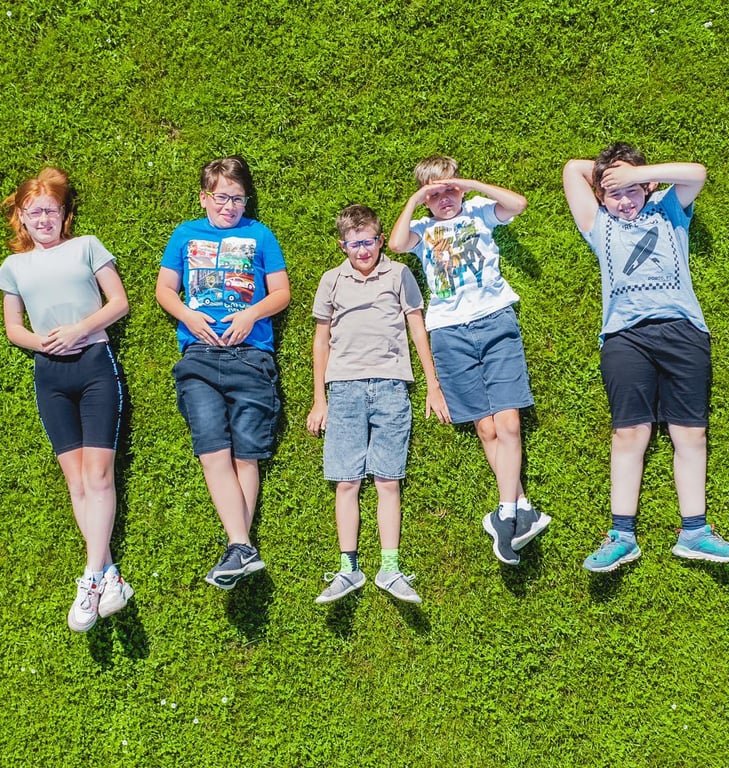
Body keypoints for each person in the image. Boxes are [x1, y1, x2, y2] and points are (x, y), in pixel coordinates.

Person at [562, 143, 729, 572]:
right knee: (629, 434)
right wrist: (610, 177)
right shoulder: (598, 223)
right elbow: (572, 170)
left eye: (631, 190)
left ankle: (694, 532)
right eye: (614, 193)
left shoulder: (668, 209)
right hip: (625, 337)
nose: (624, 201)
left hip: (684, 331)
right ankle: (621, 536)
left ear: (648, 185)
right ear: (600, 196)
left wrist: (636, 176)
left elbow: (697, 172)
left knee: (690, 434)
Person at [389, 155, 551, 566]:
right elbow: (395, 244)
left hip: (495, 321)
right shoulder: (422, 229)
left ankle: (505, 513)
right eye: (435, 194)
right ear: (425, 199)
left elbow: (518, 204)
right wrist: (415, 200)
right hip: (448, 332)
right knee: (485, 427)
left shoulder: (478, 211)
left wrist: (471, 184)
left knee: (508, 422)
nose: (444, 199)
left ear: (460, 188)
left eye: (450, 190)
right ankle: (521, 508)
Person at [0, 167, 132, 632]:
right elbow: (13, 329)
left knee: (98, 475)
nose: (43, 219)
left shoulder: (87, 247)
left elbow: (119, 303)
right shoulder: (13, 267)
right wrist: (44, 342)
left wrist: (79, 330)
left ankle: (91, 576)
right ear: (21, 216)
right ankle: (109, 575)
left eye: (51, 211)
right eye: (34, 211)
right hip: (50, 374)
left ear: (63, 214)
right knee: (76, 482)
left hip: (95, 364)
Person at [155, 156, 290, 589]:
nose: (229, 206)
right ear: (204, 197)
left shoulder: (260, 234)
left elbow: (281, 293)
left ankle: (239, 549)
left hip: (251, 355)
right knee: (212, 449)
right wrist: (187, 316)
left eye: (237, 199)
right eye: (221, 197)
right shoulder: (185, 234)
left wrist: (251, 314)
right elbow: (164, 289)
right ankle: (241, 546)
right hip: (199, 355)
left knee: (245, 454)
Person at [307, 204, 450, 604]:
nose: (363, 251)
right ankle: (348, 569)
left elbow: (417, 328)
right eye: (354, 244)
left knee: (389, 479)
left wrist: (433, 385)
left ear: (381, 240)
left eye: (369, 242)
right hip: (343, 388)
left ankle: (390, 569)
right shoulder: (331, 280)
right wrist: (319, 399)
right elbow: (321, 341)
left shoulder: (399, 274)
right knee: (346, 481)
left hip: (391, 386)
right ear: (343, 246)